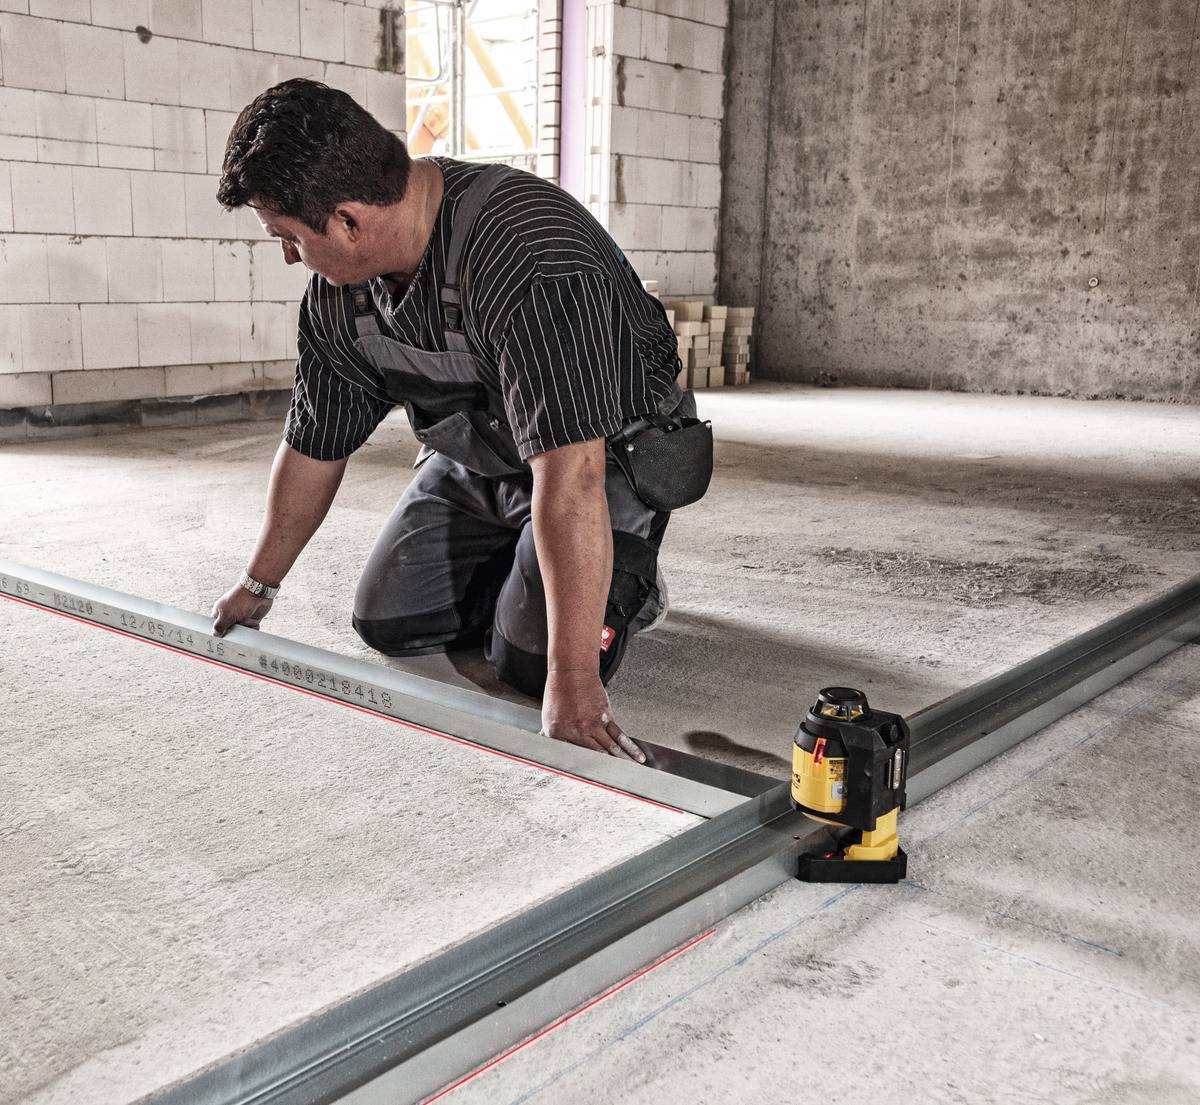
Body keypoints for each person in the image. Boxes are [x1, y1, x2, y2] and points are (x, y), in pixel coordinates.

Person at [209, 79, 706, 762]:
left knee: (533, 667)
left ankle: (624, 574)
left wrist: (574, 680)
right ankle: (530, 563)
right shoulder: (338, 299)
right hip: (482, 456)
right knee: (388, 620)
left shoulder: (528, 253)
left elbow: (573, 473)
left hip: (602, 455)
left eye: (286, 237)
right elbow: (313, 443)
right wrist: (257, 584)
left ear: (349, 221)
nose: (289, 256)